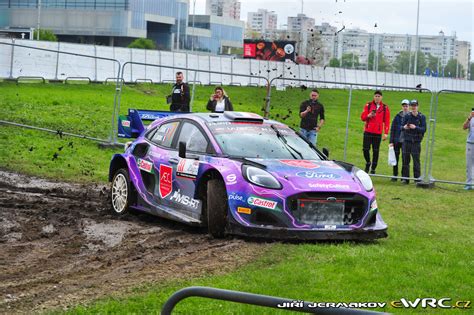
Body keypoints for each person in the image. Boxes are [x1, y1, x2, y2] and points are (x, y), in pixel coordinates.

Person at [360, 90, 391, 174]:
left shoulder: (385, 107)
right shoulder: (368, 105)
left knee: (376, 150)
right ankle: (368, 162)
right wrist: (368, 115)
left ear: (381, 97)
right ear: (374, 97)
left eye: (379, 96)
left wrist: (386, 133)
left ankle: (373, 167)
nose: (377, 98)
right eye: (376, 96)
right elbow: (362, 117)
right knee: (365, 149)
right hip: (368, 131)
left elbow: (387, 121)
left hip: (377, 132)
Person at [400, 99, 426, 184]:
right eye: (412, 105)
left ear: (418, 106)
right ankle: (405, 178)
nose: (414, 107)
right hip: (406, 141)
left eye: (415, 105)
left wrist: (415, 127)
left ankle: (417, 179)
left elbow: (424, 129)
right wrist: (405, 127)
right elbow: (400, 127)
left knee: (416, 161)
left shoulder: (422, 117)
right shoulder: (407, 116)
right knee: (405, 160)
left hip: (416, 142)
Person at [389, 99, 410, 181]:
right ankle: (395, 175)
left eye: (406, 106)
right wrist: (391, 141)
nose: (405, 107)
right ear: (402, 106)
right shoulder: (397, 116)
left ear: (409, 107)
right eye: (404, 106)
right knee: (395, 158)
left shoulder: (410, 116)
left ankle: (403, 177)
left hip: (406, 141)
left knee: (405, 159)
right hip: (397, 140)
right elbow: (393, 129)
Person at [462, 108, 474, 190]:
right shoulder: (471, 119)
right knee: (469, 165)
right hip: (470, 143)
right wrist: (469, 118)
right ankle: (469, 184)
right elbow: (464, 127)